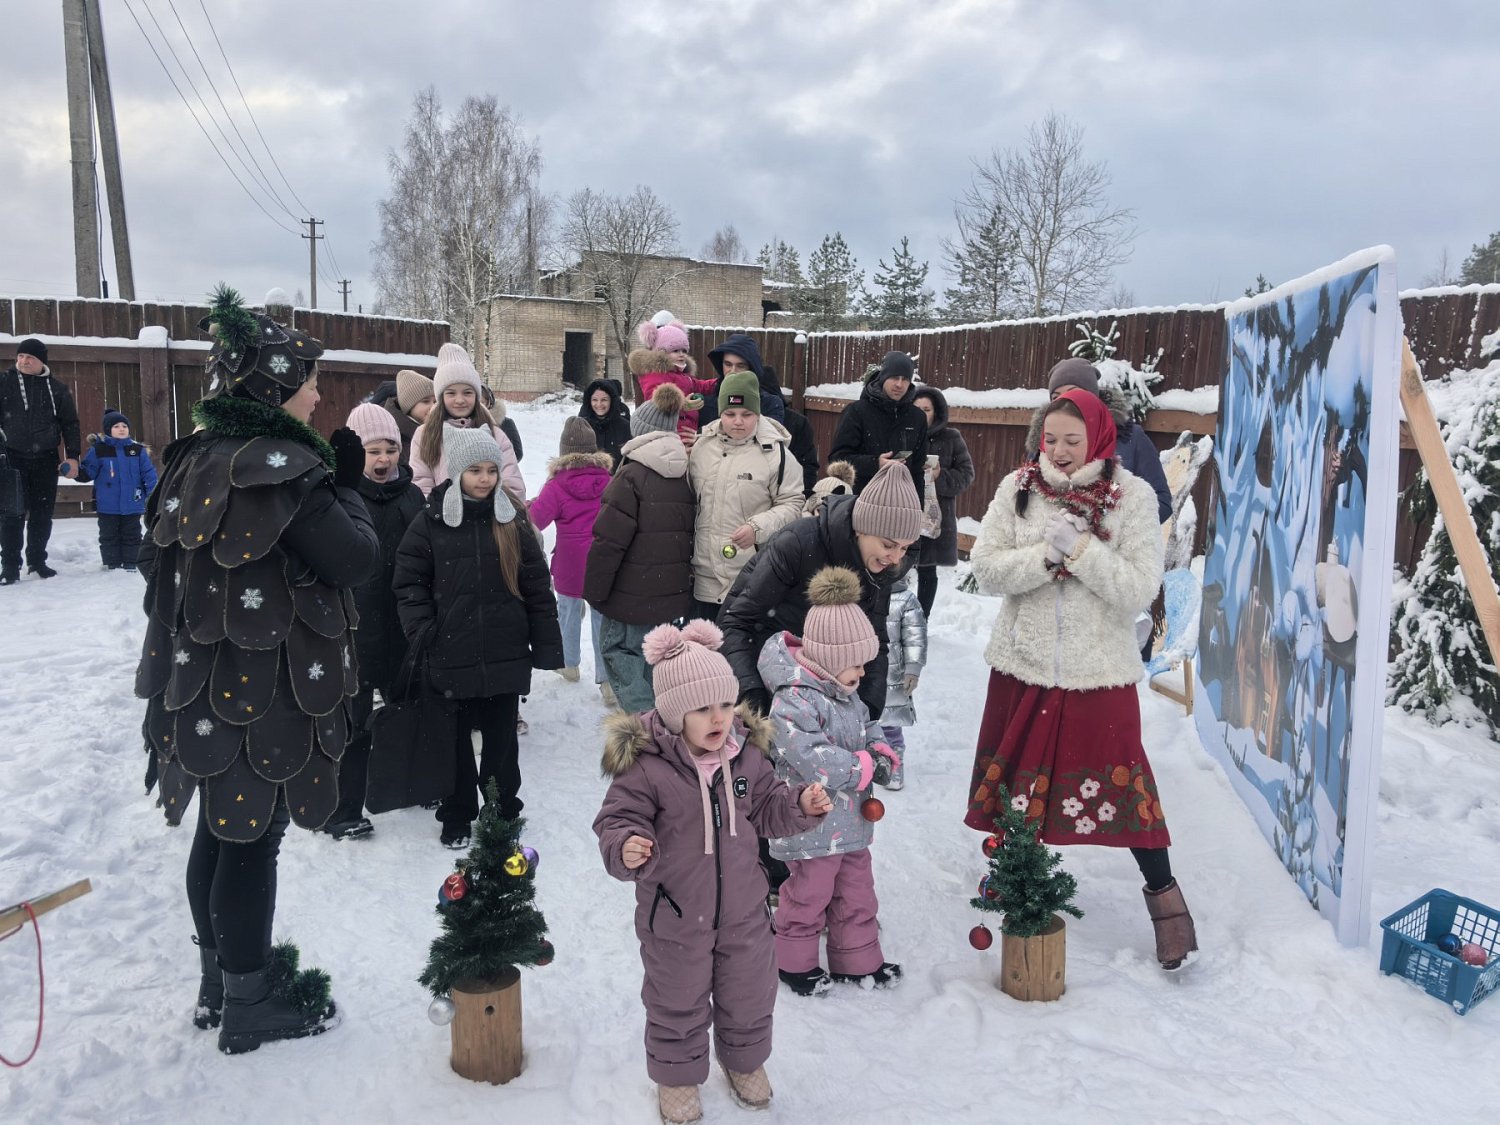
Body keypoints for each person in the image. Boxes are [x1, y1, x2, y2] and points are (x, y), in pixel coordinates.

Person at [134, 285, 376, 1053]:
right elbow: (354, 557)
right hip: (263, 685)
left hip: (199, 681)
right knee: (251, 840)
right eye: (305, 380)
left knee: (219, 826)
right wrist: (348, 488)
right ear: (271, 387)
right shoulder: (284, 466)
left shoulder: (191, 457)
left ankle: (219, 977)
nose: (315, 395)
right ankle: (249, 996)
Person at [963, 388, 1197, 970]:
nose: (1060, 452)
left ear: (1098, 438)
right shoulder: (1016, 490)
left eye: (1073, 440)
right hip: (1026, 664)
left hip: (1099, 671)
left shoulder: (1133, 497)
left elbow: (1139, 588)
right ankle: (1013, 879)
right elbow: (986, 569)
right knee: (1020, 777)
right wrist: (1046, 557)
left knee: (1129, 787)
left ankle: (1168, 906)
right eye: (1051, 440)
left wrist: (1084, 551)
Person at [593, 619, 831, 1124]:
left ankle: (743, 1062)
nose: (718, 717)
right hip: (675, 914)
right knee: (676, 999)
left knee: (749, 992)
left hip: (745, 910)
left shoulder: (744, 756)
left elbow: (767, 808)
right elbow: (617, 819)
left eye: (724, 704)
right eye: (702, 709)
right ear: (675, 713)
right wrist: (626, 845)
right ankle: (677, 1076)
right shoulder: (647, 767)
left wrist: (801, 805)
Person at [393, 427, 562, 849]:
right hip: (450, 652)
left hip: (504, 654)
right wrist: (423, 629)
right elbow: (408, 582)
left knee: (501, 744)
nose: (485, 479)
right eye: (475, 471)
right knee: (453, 744)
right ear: (456, 472)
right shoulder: (431, 521)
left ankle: (503, 811)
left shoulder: (511, 520)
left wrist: (543, 645)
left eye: (492, 470)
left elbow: (537, 586)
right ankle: (457, 814)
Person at [761, 567, 903, 996]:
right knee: (807, 897)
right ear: (824, 660)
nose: (860, 672)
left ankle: (857, 961)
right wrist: (861, 768)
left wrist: (880, 751)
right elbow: (809, 757)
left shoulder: (849, 696)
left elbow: (868, 728)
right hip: (812, 825)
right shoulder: (792, 701)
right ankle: (794, 964)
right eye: (852, 664)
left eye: (863, 662)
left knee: (857, 894)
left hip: (853, 825)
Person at [719, 459, 923, 721]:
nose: (896, 558)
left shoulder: (880, 569)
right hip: (769, 680)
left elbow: (874, 643)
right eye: (888, 544)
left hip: (828, 696)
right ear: (861, 529)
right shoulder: (797, 544)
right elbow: (735, 622)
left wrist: (868, 710)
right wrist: (753, 695)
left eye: (904, 548)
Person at [325, 402, 425, 841]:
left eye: (390, 449)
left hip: (404, 624)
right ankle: (342, 807)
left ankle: (415, 784)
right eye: (372, 451)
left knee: (411, 712)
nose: (383, 460)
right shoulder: (338, 496)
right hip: (357, 627)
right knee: (355, 721)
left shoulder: (413, 495)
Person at [583, 384, 696, 712]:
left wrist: (595, 589)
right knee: (656, 657)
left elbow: (609, 540)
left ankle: (645, 722)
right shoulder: (684, 474)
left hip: (629, 593)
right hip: (669, 593)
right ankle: (661, 714)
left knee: (620, 652)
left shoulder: (630, 475)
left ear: (640, 432)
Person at [686, 369, 803, 622]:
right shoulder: (702, 448)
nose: (737, 421)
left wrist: (757, 528)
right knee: (699, 659)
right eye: (730, 414)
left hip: (750, 580)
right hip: (702, 582)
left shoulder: (777, 455)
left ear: (758, 414)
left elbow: (793, 504)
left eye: (746, 414)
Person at [1030, 358, 1171, 523]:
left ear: (1093, 396)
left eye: (1073, 392)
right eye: (1056, 397)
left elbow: (1161, 503)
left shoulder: (1130, 438)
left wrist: (1103, 523)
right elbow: (1025, 497)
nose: (1065, 401)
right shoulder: (1044, 442)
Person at [529, 417, 613, 686]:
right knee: (602, 619)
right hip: (603, 560)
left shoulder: (556, 485)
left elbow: (537, 520)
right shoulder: (610, 481)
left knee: (567, 610)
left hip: (569, 562)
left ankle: (569, 664)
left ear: (564, 451)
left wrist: (530, 504)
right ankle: (607, 679)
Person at [1, 338, 81, 582]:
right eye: (20, 356)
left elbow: (70, 424)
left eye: (30, 358)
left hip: (46, 460)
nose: (23, 361)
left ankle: (37, 562)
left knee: (41, 514)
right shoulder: (4, 383)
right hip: (12, 460)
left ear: (41, 361)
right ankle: (10, 567)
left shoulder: (57, 389)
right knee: (11, 515)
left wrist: (73, 457)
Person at [409, 343, 525, 502]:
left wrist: (488, 512)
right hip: (442, 521)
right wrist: (438, 514)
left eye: (467, 392)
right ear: (441, 397)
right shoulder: (425, 435)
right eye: (451, 393)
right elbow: (420, 483)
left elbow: (513, 485)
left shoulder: (494, 433)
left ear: (477, 396)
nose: (460, 400)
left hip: (488, 520)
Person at [828, 350, 929, 510]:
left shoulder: (917, 418)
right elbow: (837, 460)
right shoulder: (857, 411)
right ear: (883, 378)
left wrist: (918, 510)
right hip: (860, 503)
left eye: (905, 379)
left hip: (900, 506)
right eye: (895, 377)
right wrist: (876, 464)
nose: (899, 384)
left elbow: (917, 470)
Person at [909, 386, 974, 618]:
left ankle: (921, 620)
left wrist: (939, 476)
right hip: (903, 512)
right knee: (893, 568)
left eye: (926, 409)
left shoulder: (951, 438)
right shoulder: (900, 433)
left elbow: (966, 475)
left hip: (934, 517)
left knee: (927, 571)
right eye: (916, 409)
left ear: (936, 412)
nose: (920, 413)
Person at [79, 409, 157, 571]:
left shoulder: (137, 451)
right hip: (107, 505)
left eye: (124, 426)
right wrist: (74, 471)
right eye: (116, 426)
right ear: (108, 430)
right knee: (109, 535)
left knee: (132, 534)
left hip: (133, 503)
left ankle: (131, 562)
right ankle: (112, 563)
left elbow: (148, 474)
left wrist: (153, 493)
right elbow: (89, 471)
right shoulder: (99, 451)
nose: (121, 429)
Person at [629, 312, 718, 439]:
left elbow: (698, 385)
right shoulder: (655, 374)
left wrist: (718, 382)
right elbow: (655, 403)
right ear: (662, 353)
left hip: (687, 431)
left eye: (684, 350)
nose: (681, 354)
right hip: (670, 433)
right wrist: (682, 404)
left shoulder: (682, 375)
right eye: (675, 351)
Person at [878, 570, 927, 791]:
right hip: (861, 672)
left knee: (890, 722)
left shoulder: (906, 600)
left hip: (893, 675)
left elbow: (915, 636)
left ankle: (894, 763)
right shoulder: (861, 592)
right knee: (862, 720)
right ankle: (866, 762)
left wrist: (913, 669)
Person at [696, 335, 786, 427]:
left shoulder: (769, 403)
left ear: (751, 368)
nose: (733, 371)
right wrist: (700, 437)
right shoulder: (707, 403)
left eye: (740, 366)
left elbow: (771, 437)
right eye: (728, 364)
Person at [371, 368, 437, 468]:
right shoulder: (392, 438)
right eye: (425, 401)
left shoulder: (440, 430)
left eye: (435, 402)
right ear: (409, 406)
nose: (433, 407)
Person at [578, 377, 632, 470]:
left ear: (612, 401)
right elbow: (573, 458)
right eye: (595, 400)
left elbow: (630, 461)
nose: (599, 404)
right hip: (588, 482)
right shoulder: (581, 426)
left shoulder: (625, 427)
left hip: (617, 481)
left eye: (604, 400)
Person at [479, 381, 525, 462]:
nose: (479, 406)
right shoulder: (464, 424)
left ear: (489, 403)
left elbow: (517, 453)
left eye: (482, 402)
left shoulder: (505, 423)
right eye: (476, 402)